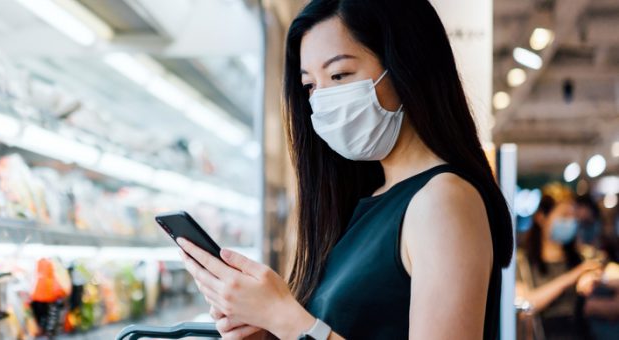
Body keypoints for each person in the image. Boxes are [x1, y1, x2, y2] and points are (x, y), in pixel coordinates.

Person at [174, 0, 514, 339]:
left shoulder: (444, 200)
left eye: (339, 75)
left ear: (406, 66)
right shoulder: (368, 202)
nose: (323, 100)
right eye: (310, 86)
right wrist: (267, 330)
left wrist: (285, 318)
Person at [515, 187, 602, 339]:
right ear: (542, 217)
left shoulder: (583, 257)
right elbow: (527, 303)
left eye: (573, 217)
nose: (570, 222)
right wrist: (574, 275)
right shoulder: (522, 262)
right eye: (564, 216)